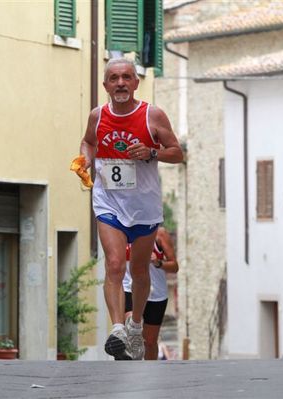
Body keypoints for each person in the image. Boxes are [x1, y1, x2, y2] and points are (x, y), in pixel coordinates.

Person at [79, 58, 183, 360]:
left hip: (144, 207)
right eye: (114, 78)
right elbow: (88, 142)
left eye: (127, 77)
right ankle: (117, 328)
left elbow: (177, 153)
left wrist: (152, 152)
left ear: (136, 82)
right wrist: (85, 159)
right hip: (108, 201)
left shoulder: (152, 115)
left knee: (139, 270)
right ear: (106, 85)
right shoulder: (97, 116)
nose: (121, 83)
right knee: (114, 264)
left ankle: (135, 323)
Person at [124, 227, 178, 360]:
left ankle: (151, 371)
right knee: (130, 332)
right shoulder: (121, 231)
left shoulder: (160, 234)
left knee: (150, 341)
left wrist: (158, 262)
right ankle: (130, 371)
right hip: (129, 289)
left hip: (156, 294)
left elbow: (175, 266)